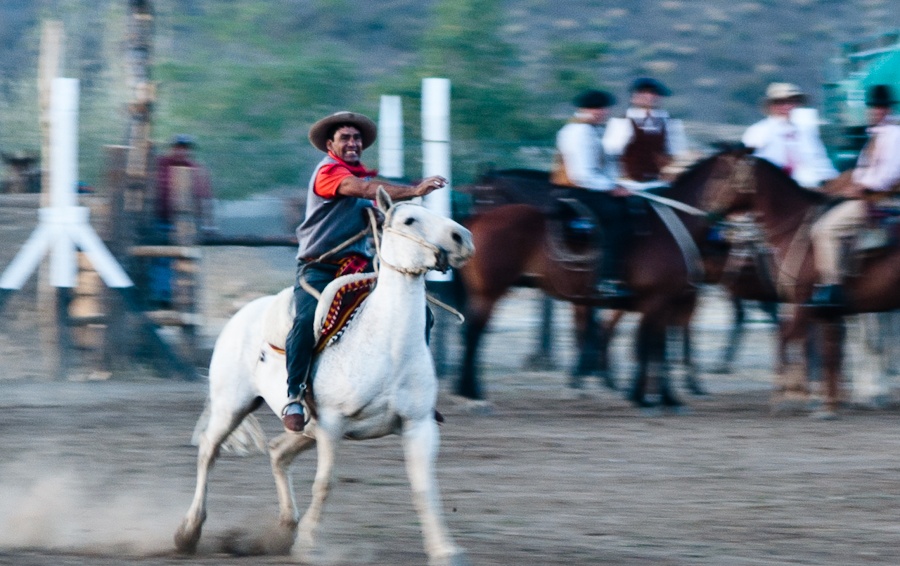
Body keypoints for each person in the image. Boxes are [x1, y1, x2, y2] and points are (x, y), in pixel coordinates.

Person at [282, 111, 448, 432]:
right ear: (330, 144)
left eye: (356, 138)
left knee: (421, 316)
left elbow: (376, 206)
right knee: (305, 321)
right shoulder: (330, 173)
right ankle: (294, 395)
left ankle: (417, 391)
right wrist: (414, 190)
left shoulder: (364, 180)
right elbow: (361, 190)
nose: (353, 143)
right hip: (319, 267)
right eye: (345, 138)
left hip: (359, 268)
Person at [807, 84, 900, 309]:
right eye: (873, 107)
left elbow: (890, 174)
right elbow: (864, 170)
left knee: (823, 230)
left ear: (887, 110)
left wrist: (860, 186)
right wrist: (846, 185)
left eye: (880, 108)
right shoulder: (876, 135)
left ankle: (833, 286)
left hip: (875, 199)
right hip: (864, 193)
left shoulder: (894, 135)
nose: (876, 111)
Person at [550, 88, 631, 299]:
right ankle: (607, 279)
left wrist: (618, 184)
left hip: (590, 188)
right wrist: (612, 188)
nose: (601, 112)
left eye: (603, 108)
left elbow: (604, 168)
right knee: (614, 217)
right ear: (583, 109)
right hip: (576, 191)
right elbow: (582, 175)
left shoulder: (592, 131)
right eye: (595, 108)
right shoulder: (577, 133)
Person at [150, 134, 213, 307]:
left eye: (185, 148)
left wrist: (208, 223)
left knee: (183, 261)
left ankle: (177, 298)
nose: (182, 151)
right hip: (160, 220)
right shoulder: (160, 165)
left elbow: (205, 198)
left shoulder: (196, 169)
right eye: (178, 147)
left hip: (186, 224)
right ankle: (162, 295)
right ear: (172, 148)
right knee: (161, 258)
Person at [741, 82, 838, 189]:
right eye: (780, 102)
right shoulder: (758, 131)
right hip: (776, 187)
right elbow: (753, 163)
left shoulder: (806, 130)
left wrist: (831, 180)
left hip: (812, 185)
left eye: (791, 102)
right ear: (771, 106)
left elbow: (819, 158)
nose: (786, 106)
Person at [602, 77, 688, 182]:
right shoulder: (620, 122)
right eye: (643, 93)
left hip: (659, 182)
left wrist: (672, 172)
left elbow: (679, 153)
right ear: (633, 97)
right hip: (627, 183)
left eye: (653, 93)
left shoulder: (670, 123)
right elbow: (610, 153)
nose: (649, 97)